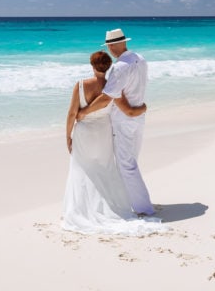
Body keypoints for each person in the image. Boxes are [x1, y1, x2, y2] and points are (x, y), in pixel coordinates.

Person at [62, 51, 162, 235]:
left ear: (92, 66)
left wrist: (68, 135)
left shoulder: (81, 85)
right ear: (108, 67)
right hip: (104, 133)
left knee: (82, 170)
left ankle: (82, 210)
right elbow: (128, 110)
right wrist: (143, 107)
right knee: (104, 169)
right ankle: (108, 208)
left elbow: (71, 113)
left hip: (84, 133)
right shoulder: (113, 86)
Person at [77, 28, 155, 217]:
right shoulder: (140, 59)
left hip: (124, 120)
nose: (110, 50)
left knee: (126, 164)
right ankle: (132, 201)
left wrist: (85, 111)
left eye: (110, 46)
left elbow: (108, 97)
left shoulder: (120, 67)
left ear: (112, 45)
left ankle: (144, 208)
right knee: (131, 161)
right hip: (138, 116)